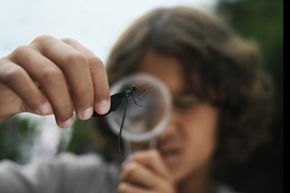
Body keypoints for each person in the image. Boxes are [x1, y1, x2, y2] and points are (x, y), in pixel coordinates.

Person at [0, 6, 272, 193]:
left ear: (227, 106)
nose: (162, 127)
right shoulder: (62, 183)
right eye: (144, 101)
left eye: (186, 102)